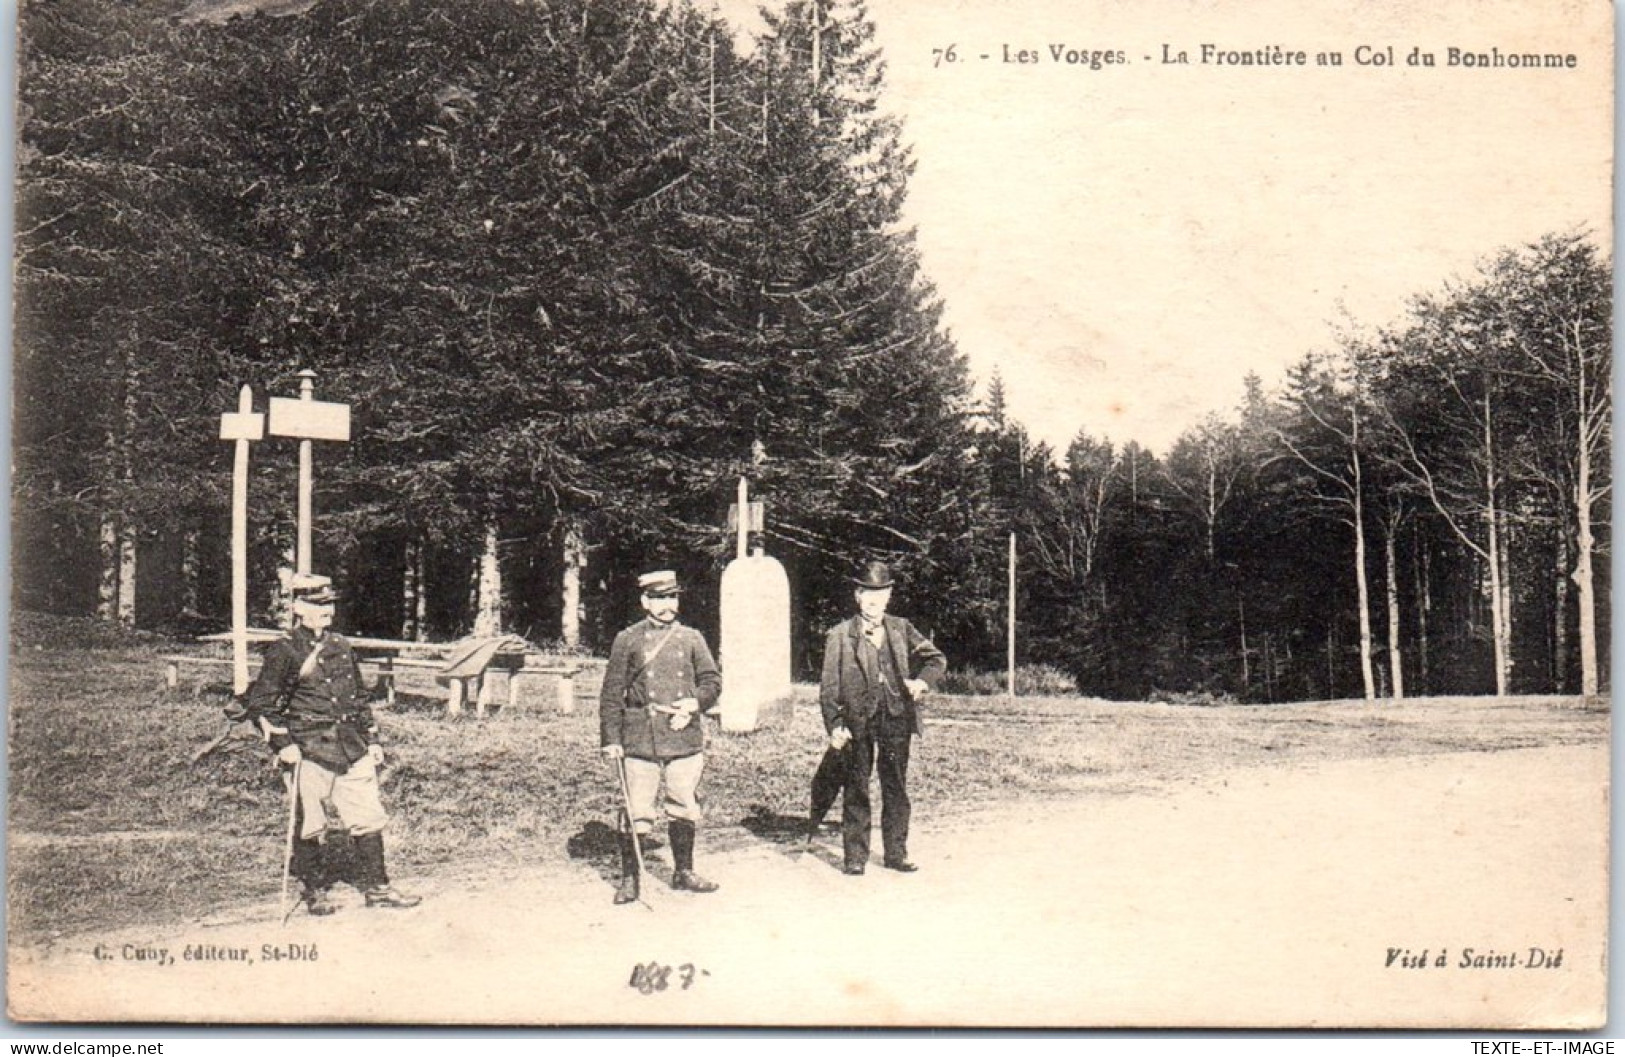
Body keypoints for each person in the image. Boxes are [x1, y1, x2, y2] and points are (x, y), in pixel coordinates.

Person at [243, 573, 421, 915]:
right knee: (311, 822)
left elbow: (357, 696)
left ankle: (378, 888)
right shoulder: (284, 649)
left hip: (350, 747)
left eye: (329, 604)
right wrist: (283, 743)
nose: (327, 610)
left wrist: (371, 737)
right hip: (309, 749)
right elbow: (261, 703)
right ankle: (314, 890)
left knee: (368, 816)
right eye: (317, 604)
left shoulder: (340, 645)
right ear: (298, 607)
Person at [599, 569, 724, 904]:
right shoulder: (627, 639)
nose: (668, 605)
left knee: (684, 805)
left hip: (683, 737)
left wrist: (696, 702)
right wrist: (611, 738)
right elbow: (612, 693)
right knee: (637, 809)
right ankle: (630, 880)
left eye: (672, 597)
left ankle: (683, 871)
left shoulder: (692, 638)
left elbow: (712, 680)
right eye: (660, 598)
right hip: (641, 738)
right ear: (645, 601)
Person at [818, 560, 946, 875]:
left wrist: (921, 682)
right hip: (856, 721)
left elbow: (936, 659)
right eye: (868, 593)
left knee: (896, 786)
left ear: (889, 596)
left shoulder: (901, 628)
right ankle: (856, 857)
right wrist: (835, 724)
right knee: (856, 785)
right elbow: (828, 688)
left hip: (896, 717)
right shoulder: (839, 634)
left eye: (881, 593)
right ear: (857, 595)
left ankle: (896, 853)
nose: (875, 600)